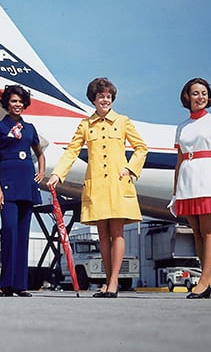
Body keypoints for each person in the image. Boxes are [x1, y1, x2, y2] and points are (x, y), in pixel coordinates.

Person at [46, 78, 147, 298]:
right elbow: (71, 151)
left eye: (108, 96)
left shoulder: (123, 121)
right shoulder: (85, 125)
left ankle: (113, 282)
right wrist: (57, 174)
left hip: (119, 184)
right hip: (97, 186)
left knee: (117, 233)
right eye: (101, 96)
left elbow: (141, 148)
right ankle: (109, 283)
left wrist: (130, 169)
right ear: (94, 99)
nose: (105, 100)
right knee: (102, 236)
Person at [169, 78, 211, 299]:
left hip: (207, 176)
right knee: (196, 232)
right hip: (187, 180)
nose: (201, 97)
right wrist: (174, 192)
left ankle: (204, 282)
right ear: (187, 97)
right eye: (196, 93)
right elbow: (179, 161)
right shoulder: (182, 126)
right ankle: (208, 284)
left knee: (208, 231)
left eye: (204, 93)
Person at [0, 85, 45, 297]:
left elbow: (40, 153)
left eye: (20, 101)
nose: (17, 105)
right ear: (7, 103)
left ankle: (20, 285)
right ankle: (5, 284)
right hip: (7, 184)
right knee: (9, 230)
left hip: (27, 185)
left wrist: (41, 172)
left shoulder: (30, 128)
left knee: (23, 234)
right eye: (13, 101)